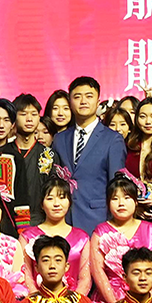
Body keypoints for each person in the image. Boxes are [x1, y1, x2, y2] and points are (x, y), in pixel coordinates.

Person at [50, 77, 124, 229]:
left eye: (89, 96)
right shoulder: (59, 139)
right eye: (77, 97)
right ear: (70, 102)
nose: (83, 101)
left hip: (98, 220)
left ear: (98, 102)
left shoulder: (113, 139)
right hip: (63, 220)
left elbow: (116, 185)